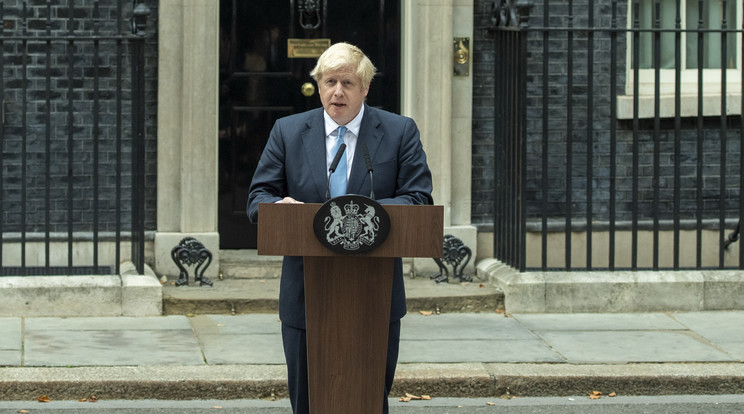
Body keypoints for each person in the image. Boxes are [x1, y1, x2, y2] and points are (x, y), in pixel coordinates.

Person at [246, 42, 433, 414]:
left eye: (348, 82)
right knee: (307, 400)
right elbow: (258, 198)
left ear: (365, 88)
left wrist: (363, 213)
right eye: (329, 81)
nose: (338, 92)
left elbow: (418, 199)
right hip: (306, 294)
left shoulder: (398, 132)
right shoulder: (288, 131)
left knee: (368, 400)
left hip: (374, 297)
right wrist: (280, 208)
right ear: (318, 86)